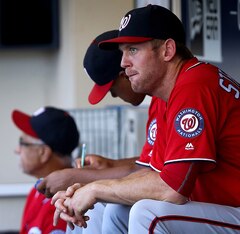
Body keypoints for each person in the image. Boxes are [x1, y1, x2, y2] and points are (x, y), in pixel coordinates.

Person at [52, 4, 240, 233]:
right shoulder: (169, 95)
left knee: (147, 214)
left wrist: (95, 189)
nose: (123, 62)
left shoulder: (195, 84)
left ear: (167, 50)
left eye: (132, 50)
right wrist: (86, 189)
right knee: (118, 209)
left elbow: (171, 190)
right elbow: (152, 174)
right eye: (122, 52)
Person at [36, 30, 161, 232]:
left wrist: (80, 179)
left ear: (126, 73)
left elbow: (156, 174)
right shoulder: (158, 100)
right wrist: (109, 165)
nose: (112, 95)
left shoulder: (172, 96)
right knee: (95, 206)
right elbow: (152, 164)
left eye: (111, 88)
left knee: (109, 208)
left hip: (211, 204)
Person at [12, 106, 79, 234]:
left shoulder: (66, 202)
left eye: (22, 143)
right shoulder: (37, 190)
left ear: (43, 153)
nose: (17, 150)